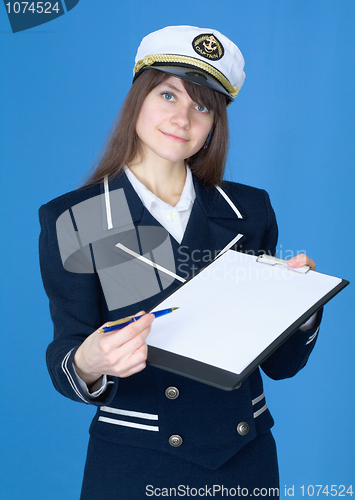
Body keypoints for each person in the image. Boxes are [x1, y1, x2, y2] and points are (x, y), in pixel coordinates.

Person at [39, 25, 322, 499]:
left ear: (215, 123)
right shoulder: (78, 217)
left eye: (202, 105)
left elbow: (281, 365)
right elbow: (68, 350)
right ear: (138, 99)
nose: (184, 117)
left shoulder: (248, 210)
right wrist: (88, 362)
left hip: (244, 460)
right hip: (135, 463)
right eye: (169, 95)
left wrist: (303, 304)